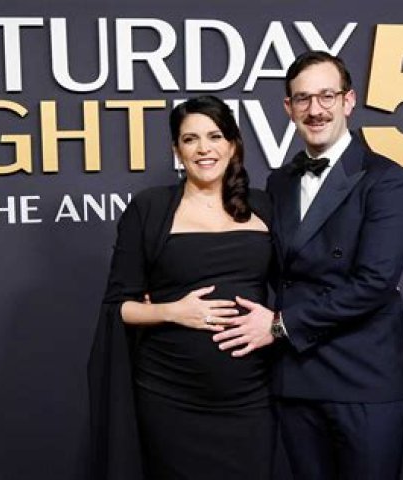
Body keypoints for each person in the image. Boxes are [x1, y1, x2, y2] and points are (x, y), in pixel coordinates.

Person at [213, 51, 403, 479]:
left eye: (327, 96)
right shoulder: (280, 181)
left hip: (362, 379)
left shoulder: (385, 178)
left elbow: (375, 282)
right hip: (297, 379)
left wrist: (279, 325)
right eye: (303, 98)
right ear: (288, 108)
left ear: (348, 101)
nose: (315, 109)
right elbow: (263, 262)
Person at [91, 95, 275, 480]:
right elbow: (118, 306)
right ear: (177, 150)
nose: (204, 148)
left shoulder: (265, 207)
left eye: (215, 136)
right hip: (170, 396)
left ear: (233, 145)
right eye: (191, 139)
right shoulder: (150, 209)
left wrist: (275, 324)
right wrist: (174, 311)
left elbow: (298, 287)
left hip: (251, 397)